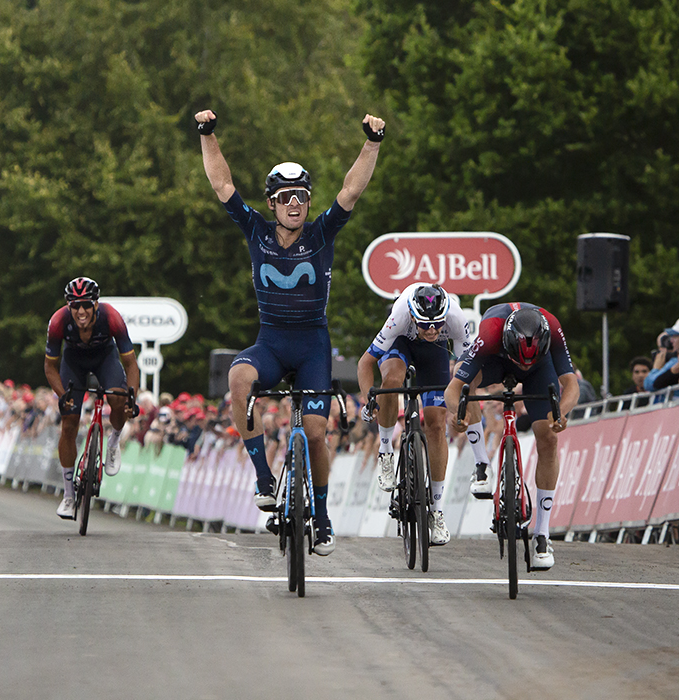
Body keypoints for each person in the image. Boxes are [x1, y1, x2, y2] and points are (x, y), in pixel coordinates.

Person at [195, 108, 385, 556]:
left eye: (301, 196)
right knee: (238, 380)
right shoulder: (255, 230)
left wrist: (372, 142)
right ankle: (264, 478)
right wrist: (207, 134)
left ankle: (321, 517)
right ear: (272, 204)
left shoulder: (321, 232)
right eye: (286, 198)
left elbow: (351, 189)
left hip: (312, 347)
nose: (295, 204)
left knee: (316, 432)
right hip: (272, 343)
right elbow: (223, 185)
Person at [444, 303, 579, 570]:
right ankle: (482, 465)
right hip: (496, 360)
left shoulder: (551, 327)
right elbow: (454, 387)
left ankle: (542, 534)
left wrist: (560, 414)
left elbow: (571, 384)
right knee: (466, 389)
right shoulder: (491, 332)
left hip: (541, 368)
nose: (522, 365)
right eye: (520, 358)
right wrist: (457, 414)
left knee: (549, 438)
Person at [357, 283, 471, 545]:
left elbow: (467, 370)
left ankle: (437, 512)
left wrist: (459, 407)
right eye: (424, 325)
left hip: (435, 356)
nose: (431, 330)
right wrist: (369, 399)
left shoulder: (455, 317)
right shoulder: (399, 314)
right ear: (412, 315)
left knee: (435, 423)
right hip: (401, 345)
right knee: (393, 380)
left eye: (436, 324)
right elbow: (366, 362)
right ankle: (386, 451)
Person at [44, 277, 140, 520]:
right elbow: (50, 367)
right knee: (68, 423)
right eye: (74, 306)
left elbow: (130, 363)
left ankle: (113, 441)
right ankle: (68, 496)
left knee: (118, 399)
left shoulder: (112, 318)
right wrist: (62, 394)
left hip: (104, 358)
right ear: (68, 306)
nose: (81, 311)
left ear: (96, 304)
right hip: (73, 361)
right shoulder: (58, 322)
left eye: (86, 304)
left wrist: (131, 397)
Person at [644, 321, 679, 392]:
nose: (671, 340)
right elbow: (648, 384)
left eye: (675, 336)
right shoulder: (674, 362)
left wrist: (656, 368)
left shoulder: (675, 363)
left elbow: (650, 384)